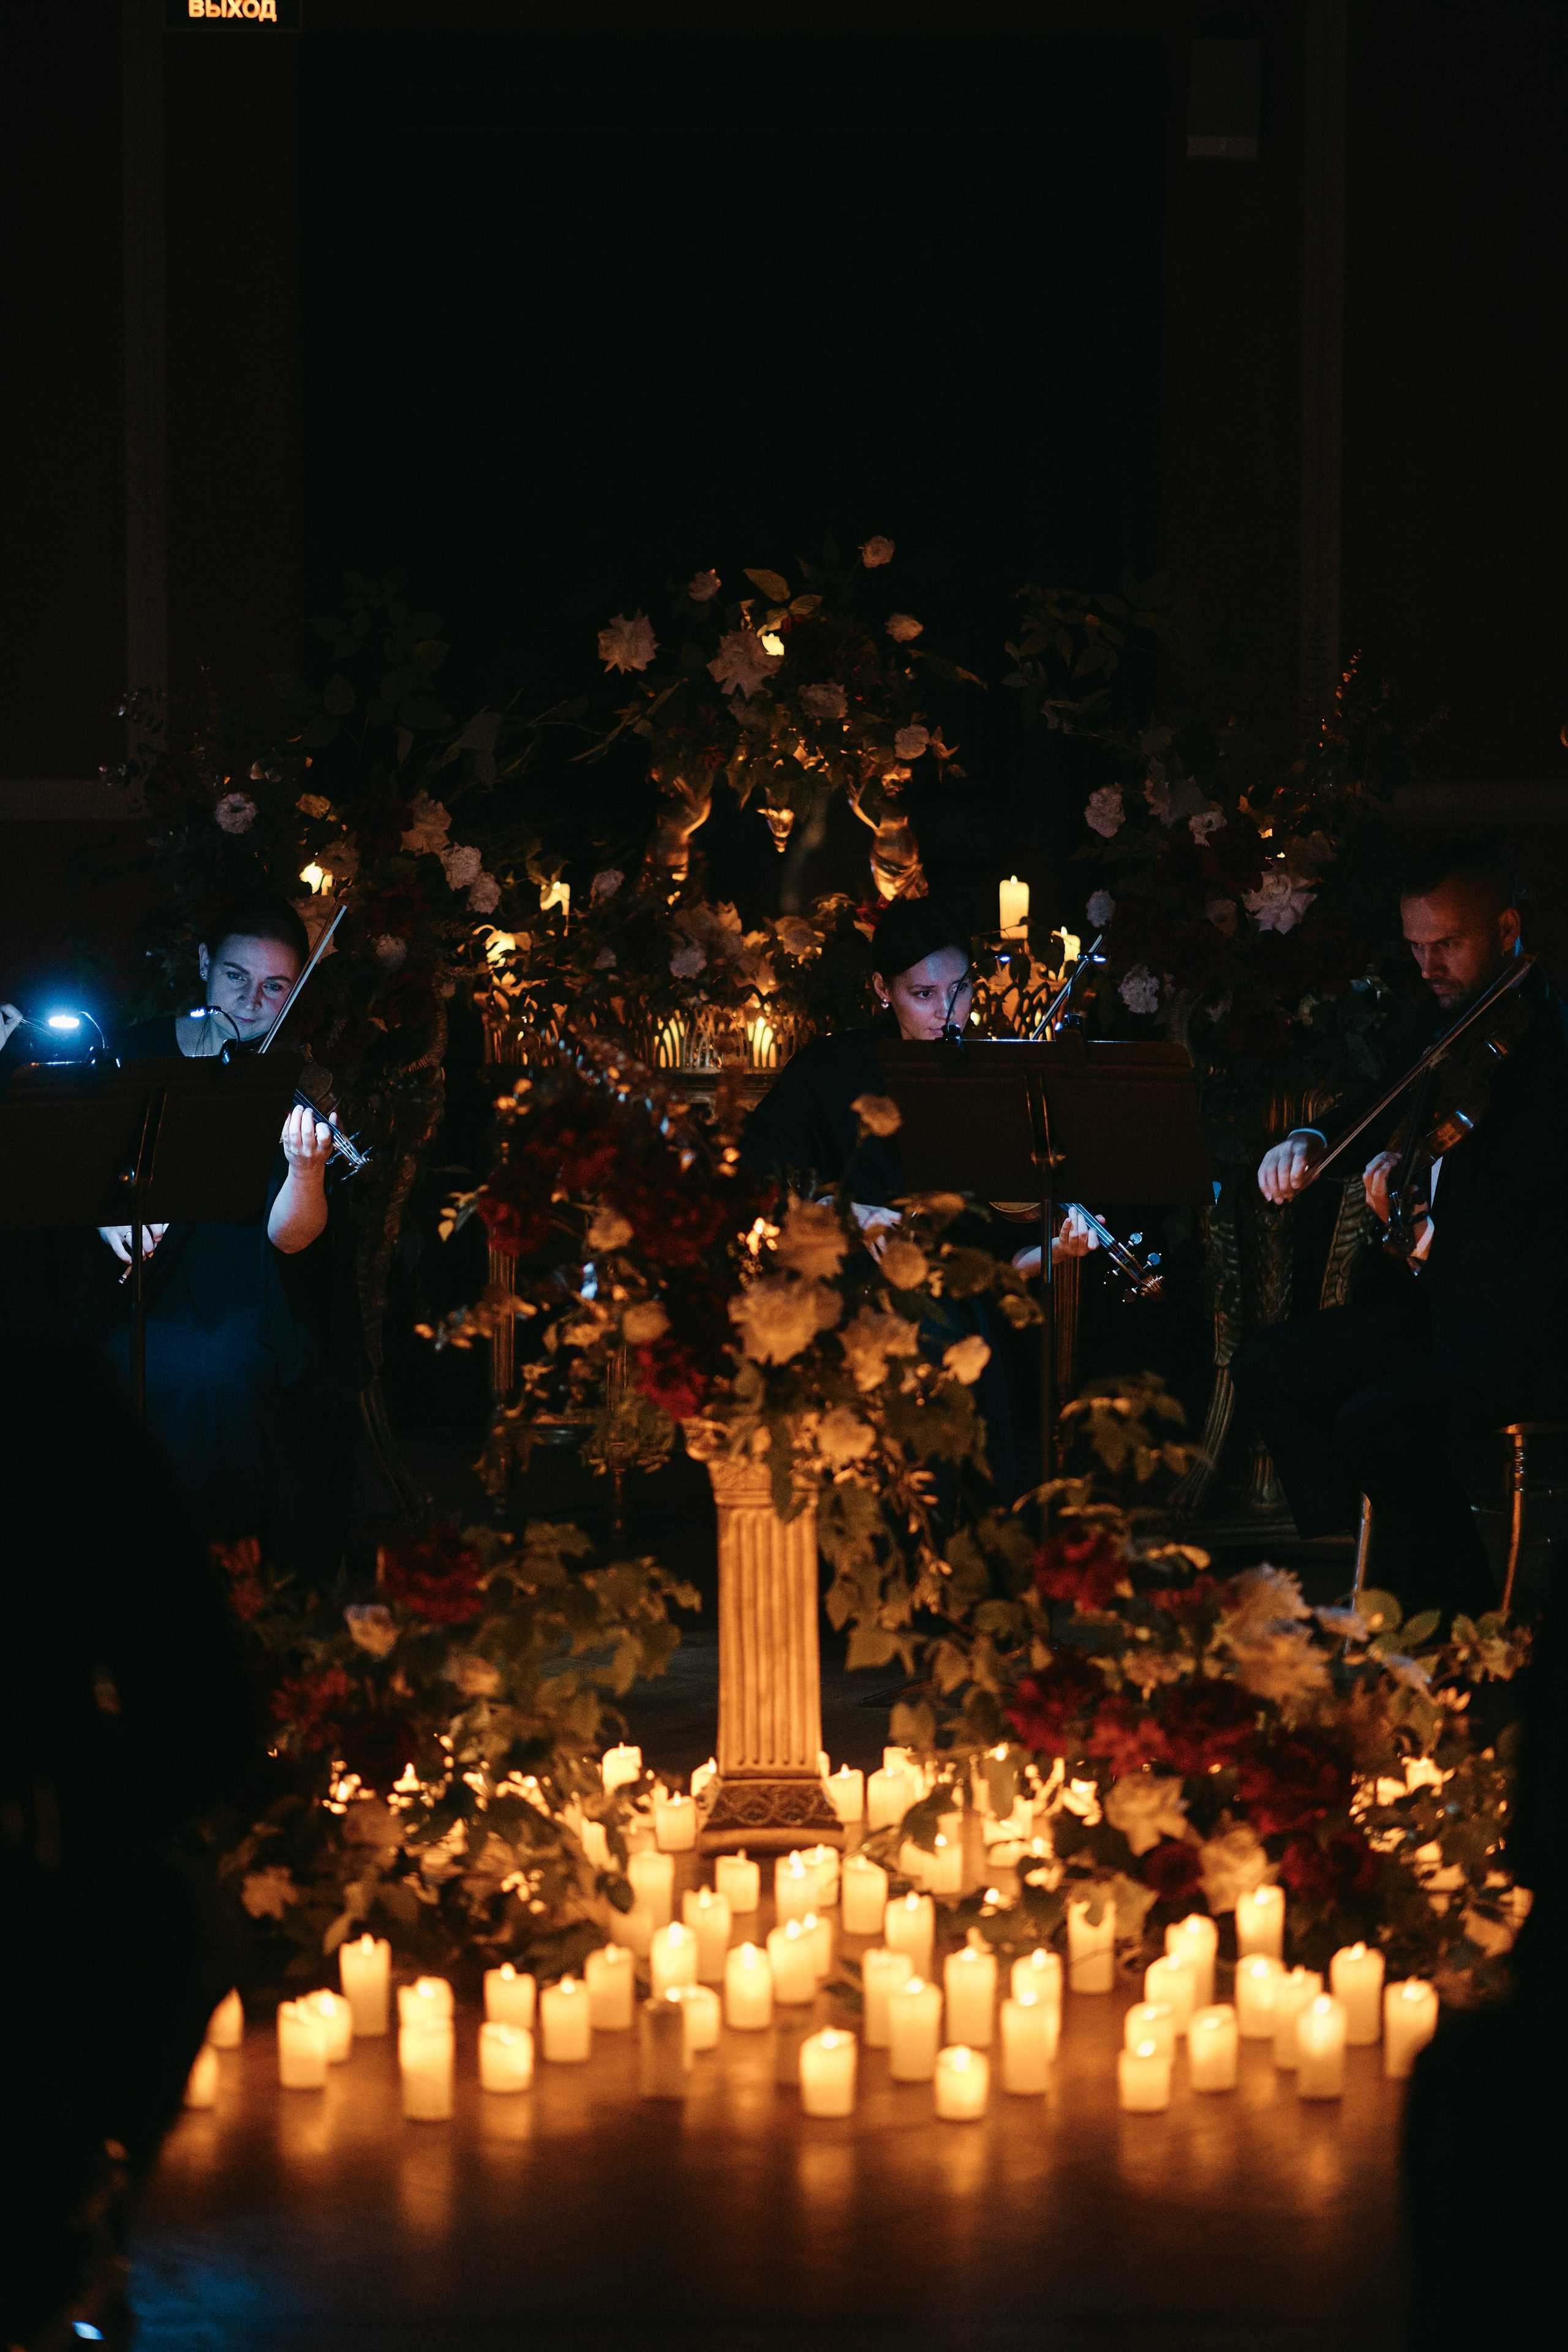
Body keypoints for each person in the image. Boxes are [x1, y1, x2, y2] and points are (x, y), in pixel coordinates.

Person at [1231, 837, 1568, 1619]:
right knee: (1267, 1367)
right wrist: (1311, 1140)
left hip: (1522, 1330)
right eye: (1416, 946)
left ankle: (1456, 1626)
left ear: (1508, 926)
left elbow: (1534, 1230)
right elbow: (1382, 1105)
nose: (1428, 966)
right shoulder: (1448, 1023)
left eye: (1447, 944)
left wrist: (1423, 1230)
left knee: (1377, 1422)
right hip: (1440, 1311)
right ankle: (1368, 1567)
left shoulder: (1548, 1056)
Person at [740, 899, 1095, 1497]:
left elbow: (993, 1253)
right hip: (849, 1287)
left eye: (958, 991)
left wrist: (1050, 1254)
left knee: (978, 1319)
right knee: (942, 1326)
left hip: (962, 1295)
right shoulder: (830, 1069)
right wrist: (844, 1215)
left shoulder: (996, 1078)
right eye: (923, 994)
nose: (946, 1014)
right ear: (883, 989)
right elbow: (756, 1174)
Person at [100, 896, 368, 1583]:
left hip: (250, 1291)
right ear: (203, 966)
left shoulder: (298, 1081)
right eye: (234, 978)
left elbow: (291, 1240)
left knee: (222, 1374)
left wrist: (307, 1170)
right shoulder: (136, 1053)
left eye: (275, 987)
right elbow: (75, 1165)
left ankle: (218, 1579)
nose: (251, 1003)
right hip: (131, 1289)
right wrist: (106, 1216)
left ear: (296, 989)